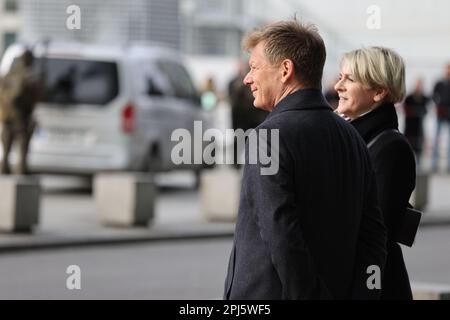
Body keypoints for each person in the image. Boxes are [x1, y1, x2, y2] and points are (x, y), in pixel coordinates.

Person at [223, 20, 387, 300]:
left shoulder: (269, 137)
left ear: (285, 70)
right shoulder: (353, 139)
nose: (248, 78)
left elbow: (282, 236)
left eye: (254, 67)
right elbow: (373, 237)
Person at [335, 46, 416, 300]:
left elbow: (375, 232)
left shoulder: (391, 147)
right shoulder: (354, 138)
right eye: (340, 77)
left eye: (350, 79)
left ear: (380, 92)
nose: (338, 86)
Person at [0, 48, 42, 174]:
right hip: (20, 115)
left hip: (7, 115)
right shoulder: (28, 76)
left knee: (7, 143)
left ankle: (5, 168)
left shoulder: (9, 73)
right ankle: (21, 168)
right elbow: (32, 97)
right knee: (23, 143)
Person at [228, 60, 268, 167]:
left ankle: (242, 163)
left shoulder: (241, 84)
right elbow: (234, 104)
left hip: (249, 119)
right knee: (240, 141)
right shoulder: (235, 83)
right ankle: (237, 163)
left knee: (248, 141)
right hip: (243, 119)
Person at [403, 78, 429, 165]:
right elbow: (406, 110)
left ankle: (418, 165)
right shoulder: (409, 98)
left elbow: (426, 110)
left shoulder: (424, 98)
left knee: (419, 148)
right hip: (410, 127)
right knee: (409, 147)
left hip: (419, 127)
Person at [431, 64, 450, 171]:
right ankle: (434, 163)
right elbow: (433, 95)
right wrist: (438, 105)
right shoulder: (439, 83)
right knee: (436, 138)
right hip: (441, 113)